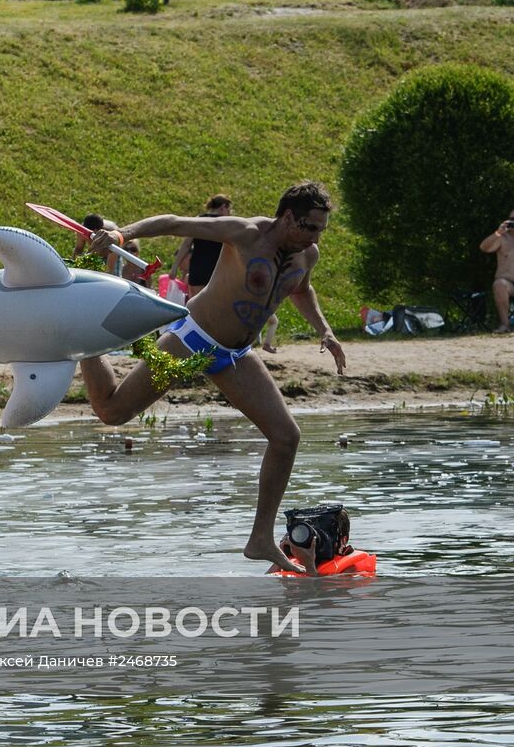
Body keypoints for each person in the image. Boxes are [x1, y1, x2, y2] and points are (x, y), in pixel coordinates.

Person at [81, 181, 347, 573]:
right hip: (193, 338)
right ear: (288, 217)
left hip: (235, 355)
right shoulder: (245, 233)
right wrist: (124, 233)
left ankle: (259, 539)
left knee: (286, 437)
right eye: (311, 227)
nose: (316, 237)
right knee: (112, 412)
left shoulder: (308, 254)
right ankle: (86, 338)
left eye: (322, 229)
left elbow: (301, 291)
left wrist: (324, 329)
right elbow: (174, 223)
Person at [169, 193, 232, 297]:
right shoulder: (225, 223)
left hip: (198, 270)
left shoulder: (199, 220)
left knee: (196, 305)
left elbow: (186, 244)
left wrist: (175, 266)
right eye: (228, 211)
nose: (229, 214)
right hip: (216, 272)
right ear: (223, 207)